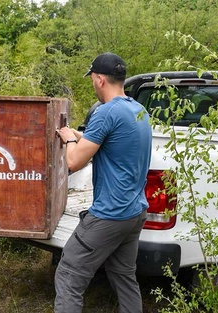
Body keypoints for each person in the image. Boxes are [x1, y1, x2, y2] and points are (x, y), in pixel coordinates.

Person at [54, 52, 152, 313]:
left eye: (92, 79)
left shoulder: (105, 113)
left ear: (99, 80)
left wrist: (69, 140)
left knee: (68, 274)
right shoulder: (138, 110)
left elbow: (74, 161)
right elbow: (107, 141)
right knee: (123, 276)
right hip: (135, 212)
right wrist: (78, 135)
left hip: (109, 216)